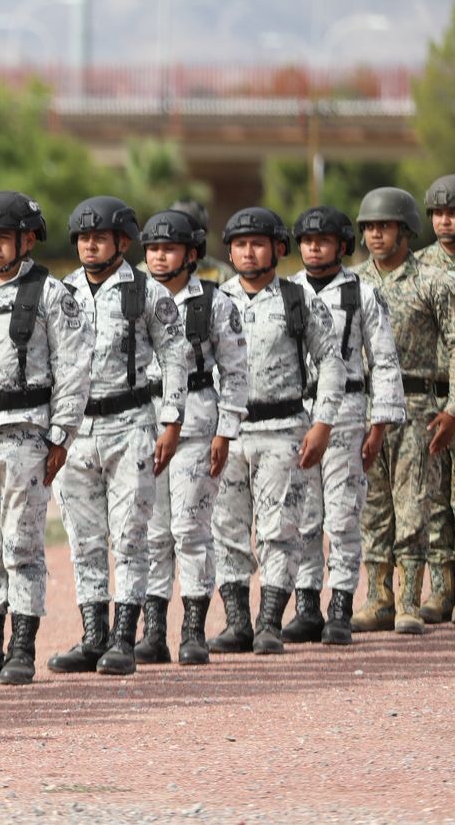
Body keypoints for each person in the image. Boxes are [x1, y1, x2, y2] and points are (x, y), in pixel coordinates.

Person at [0, 191, 93, 686]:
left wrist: (62, 436)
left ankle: (22, 648)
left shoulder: (50, 293)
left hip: (26, 436)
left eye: (4, 238)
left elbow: (74, 367)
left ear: (27, 241)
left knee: (22, 545)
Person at [49, 197, 187, 678]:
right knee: (84, 540)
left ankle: (124, 640)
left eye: (100, 238)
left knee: (130, 536)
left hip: (131, 425)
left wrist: (172, 420)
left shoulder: (147, 293)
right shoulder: (60, 293)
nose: (90, 245)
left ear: (122, 242)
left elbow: (175, 355)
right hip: (74, 431)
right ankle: (94, 638)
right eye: (83, 238)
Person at [210, 207, 345, 657]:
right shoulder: (215, 301)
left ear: (278, 249)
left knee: (278, 530)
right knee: (227, 530)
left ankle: (269, 622)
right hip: (228, 433)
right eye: (240, 244)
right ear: (229, 251)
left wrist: (323, 423)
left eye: (258, 244)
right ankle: (237, 624)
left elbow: (330, 362)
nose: (248, 252)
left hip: (284, 429)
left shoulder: (298, 299)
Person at [283, 206, 403, 643]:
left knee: (344, 514)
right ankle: (307, 605)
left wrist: (379, 424)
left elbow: (384, 361)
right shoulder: (286, 292)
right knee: (302, 514)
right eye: (307, 241)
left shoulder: (362, 294)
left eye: (324, 240)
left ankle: (340, 607)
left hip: (348, 413)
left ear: (342, 245)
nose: (314, 248)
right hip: (297, 411)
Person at [135, 209, 248, 665]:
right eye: (153, 249)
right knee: (152, 532)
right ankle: (153, 632)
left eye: (169, 249)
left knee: (190, 530)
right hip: (143, 419)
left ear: (191, 254)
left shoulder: (216, 303)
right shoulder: (134, 298)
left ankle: (194, 631)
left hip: (198, 423)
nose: (159, 257)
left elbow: (236, 373)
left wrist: (226, 431)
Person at [359, 186, 455, 630]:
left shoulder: (432, 281)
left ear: (405, 231)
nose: (376, 235)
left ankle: (409, 601)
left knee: (417, 506)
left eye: (385, 227)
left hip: (418, 404)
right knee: (372, 509)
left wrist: (454, 407)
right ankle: (377, 598)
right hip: (365, 406)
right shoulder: (352, 283)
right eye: (369, 227)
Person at [415, 174, 455, 624]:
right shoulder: (419, 266)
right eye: (439, 213)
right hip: (431, 398)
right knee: (433, 499)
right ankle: (441, 589)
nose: (446, 221)